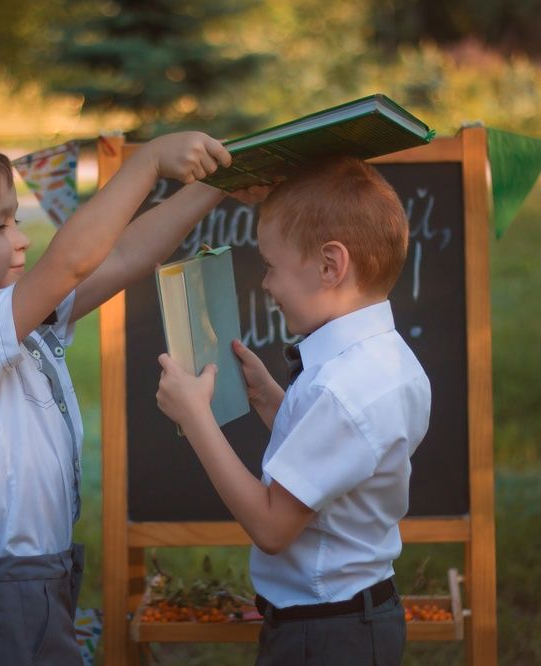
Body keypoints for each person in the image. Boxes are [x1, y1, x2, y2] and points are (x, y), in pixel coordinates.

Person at [0, 133, 263, 666]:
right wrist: (147, 163)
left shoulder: (9, 316)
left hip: (38, 577)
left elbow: (123, 255)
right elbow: (70, 263)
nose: (21, 239)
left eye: (16, 220)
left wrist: (217, 186)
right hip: (1, 592)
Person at [155, 156, 431, 666]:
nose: (266, 285)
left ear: (330, 265)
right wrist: (267, 398)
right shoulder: (383, 360)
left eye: (271, 266)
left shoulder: (345, 392)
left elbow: (272, 527)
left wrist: (195, 419)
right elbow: (340, 459)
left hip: (327, 637)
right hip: (346, 621)